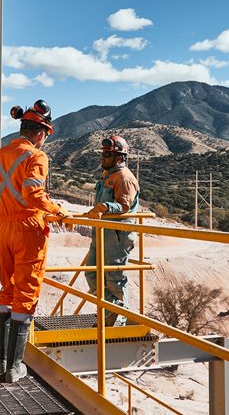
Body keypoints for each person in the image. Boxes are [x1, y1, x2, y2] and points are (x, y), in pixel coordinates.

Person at [0, 100, 69, 383]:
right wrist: (58, 211)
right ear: (41, 133)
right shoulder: (37, 156)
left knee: (8, 290)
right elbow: (33, 194)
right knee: (26, 294)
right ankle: (14, 368)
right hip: (27, 229)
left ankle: (2, 361)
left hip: (2, 228)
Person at [84, 135, 140, 327]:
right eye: (103, 154)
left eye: (107, 155)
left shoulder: (125, 178)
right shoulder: (108, 175)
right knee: (91, 273)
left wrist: (104, 207)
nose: (103, 157)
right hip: (101, 233)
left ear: (119, 158)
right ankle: (111, 310)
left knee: (115, 278)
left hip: (117, 236)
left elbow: (124, 205)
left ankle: (118, 319)